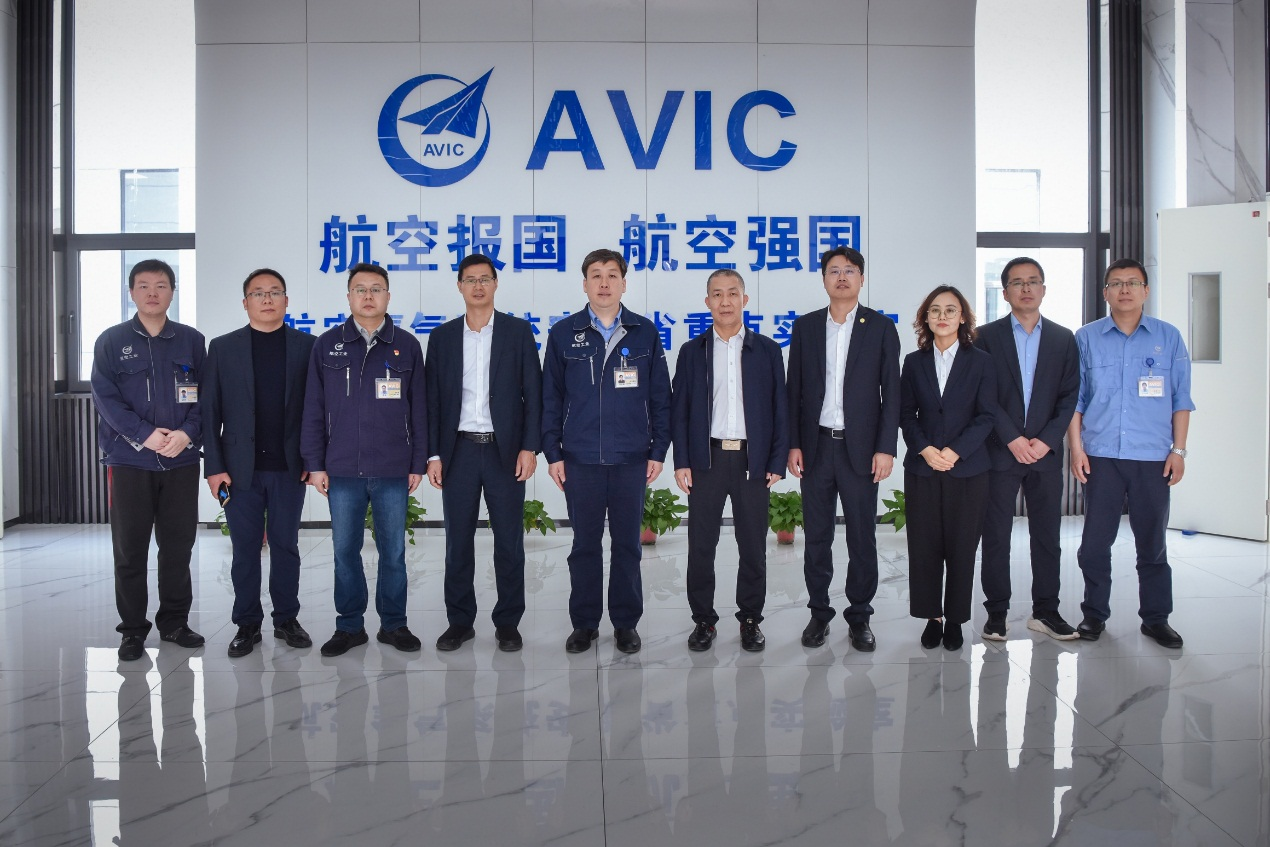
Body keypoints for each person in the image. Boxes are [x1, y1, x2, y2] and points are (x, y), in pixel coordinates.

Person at [541, 248, 671, 654]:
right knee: (584, 545)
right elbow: (550, 400)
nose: (603, 283)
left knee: (628, 545)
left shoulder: (645, 332)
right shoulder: (563, 334)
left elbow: (661, 397)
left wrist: (658, 451)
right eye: (595, 275)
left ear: (623, 284)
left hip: (631, 458)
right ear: (584, 284)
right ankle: (584, 623)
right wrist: (553, 453)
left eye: (612, 275)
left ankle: (626, 624)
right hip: (580, 459)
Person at [301, 262, 428, 658]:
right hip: (342, 469)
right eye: (360, 289)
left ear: (388, 296)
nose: (368, 296)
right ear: (349, 296)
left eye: (376, 289)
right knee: (345, 552)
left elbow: (420, 409)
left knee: (393, 552)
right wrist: (315, 463)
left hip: (392, 468)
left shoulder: (406, 345)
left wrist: (418, 463)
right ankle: (349, 626)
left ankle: (394, 624)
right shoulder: (327, 345)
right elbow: (313, 408)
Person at [1068, 259, 1194, 649]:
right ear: (1105, 292)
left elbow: (1181, 399)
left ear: (1145, 291)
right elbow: (1075, 401)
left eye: (1133, 283)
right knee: (1094, 544)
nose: (1125, 290)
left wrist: (1178, 451)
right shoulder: (1085, 338)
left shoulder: (1168, 337)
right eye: (1116, 283)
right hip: (1101, 456)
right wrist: (1076, 449)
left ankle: (1156, 619)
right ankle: (1094, 614)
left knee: (1152, 544)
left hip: (1152, 458)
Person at [425, 254, 542, 653]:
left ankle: (508, 623)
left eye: (485, 279)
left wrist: (529, 447)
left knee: (508, 541)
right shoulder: (442, 338)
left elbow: (534, 394)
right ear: (459, 286)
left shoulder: (517, 332)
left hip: (503, 452)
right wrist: (433, 455)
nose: (478, 286)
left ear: (495, 284)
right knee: (457, 542)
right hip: (457, 450)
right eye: (470, 280)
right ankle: (459, 622)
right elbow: (432, 401)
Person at [91, 258, 206, 661]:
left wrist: (188, 433)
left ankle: (174, 623)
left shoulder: (191, 341)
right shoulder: (111, 341)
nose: (152, 293)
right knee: (130, 549)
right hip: (129, 461)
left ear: (173, 291)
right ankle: (133, 631)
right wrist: (145, 435)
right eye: (143, 286)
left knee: (178, 547)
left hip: (181, 460)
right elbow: (105, 399)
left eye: (161, 285)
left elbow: (208, 395)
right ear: (131, 293)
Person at [786, 246, 900, 651]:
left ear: (861, 279)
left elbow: (892, 393)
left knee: (861, 537)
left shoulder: (881, 327)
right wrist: (793, 443)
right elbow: (794, 391)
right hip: (816, 447)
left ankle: (860, 616)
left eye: (849, 271)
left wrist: (886, 448)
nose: (841, 277)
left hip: (861, 451)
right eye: (833, 271)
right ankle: (819, 613)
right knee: (817, 537)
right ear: (823, 279)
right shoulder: (806, 327)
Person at [671, 269, 788, 653]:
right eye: (717, 294)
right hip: (706, 460)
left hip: (753, 462)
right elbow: (679, 411)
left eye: (732, 293)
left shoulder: (767, 350)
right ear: (707, 302)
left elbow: (780, 409)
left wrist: (776, 460)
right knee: (701, 546)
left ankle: (750, 619)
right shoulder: (692, 352)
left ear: (744, 300)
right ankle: (703, 620)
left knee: (753, 546)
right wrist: (682, 461)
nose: (725, 301)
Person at [203, 268, 317, 657]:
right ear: (245, 302)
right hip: (238, 469)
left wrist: (313, 458)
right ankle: (247, 623)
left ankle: (286, 619)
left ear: (286, 301)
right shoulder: (223, 348)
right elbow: (209, 411)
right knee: (245, 548)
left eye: (274, 292)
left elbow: (318, 410)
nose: (267, 299)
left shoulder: (308, 346)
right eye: (258, 293)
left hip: (289, 467)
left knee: (286, 545)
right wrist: (214, 466)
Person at [974, 258, 1081, 641]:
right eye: (1017, 283)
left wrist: (1047, 439)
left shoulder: (1063, 338)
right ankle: (996, 613)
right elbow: (983, 394)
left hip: (1045, 454)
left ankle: (1046, 612)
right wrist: (1012, 438)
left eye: (1033, 281)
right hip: (1000, 452)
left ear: (1044, 289)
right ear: (1004, 293)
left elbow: (1069, 395)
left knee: (1047, 536)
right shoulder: (985, 337)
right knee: (996, 536)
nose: (1026, 288)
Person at [899, 285, 997, 650]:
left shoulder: (981, 361)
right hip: (923, 469)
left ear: (963, 318)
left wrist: (955, 452)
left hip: (968, 469)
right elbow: (905, 414)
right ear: (925, 318)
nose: (942, 316)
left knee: (962, 546)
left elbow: (986, 415)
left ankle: (955, 618)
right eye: (935, 310)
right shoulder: (914, 362)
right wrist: (925, 450)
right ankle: (932, 617)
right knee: (924, 546)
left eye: (950, 310)